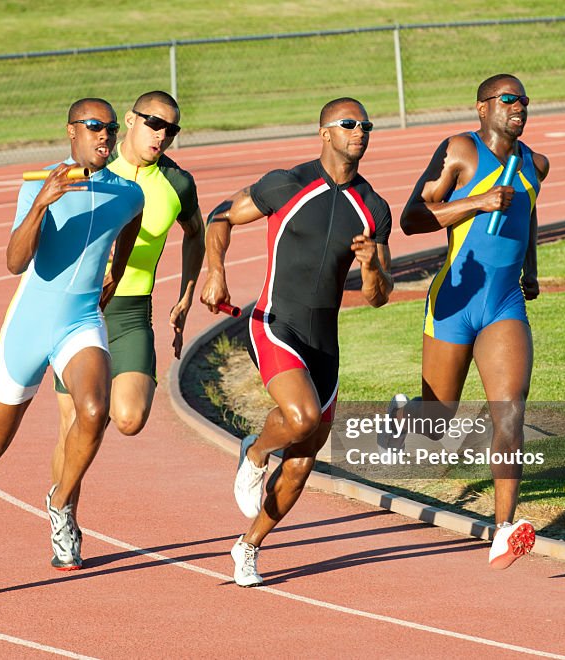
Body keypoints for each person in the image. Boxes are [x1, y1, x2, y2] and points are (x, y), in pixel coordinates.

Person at [0, 98, 144, 598]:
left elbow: (130, 229)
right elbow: (13, 261)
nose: (106, 136)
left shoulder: (128, 193)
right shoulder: (38, 183)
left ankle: (61, 502)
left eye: (112, 128)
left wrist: (116, 267)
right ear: (71, 131)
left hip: (80, 320)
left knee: (95, 411)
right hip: (29, 325)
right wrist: (41, 203)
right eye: (96, 127)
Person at [201, 98, 393, 587]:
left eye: (366, 125)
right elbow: (220, 217)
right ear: (324, 132)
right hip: (274, 321)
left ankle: (248, 547)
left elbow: (378, 297)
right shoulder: (287, 183)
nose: (360, 132)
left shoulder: (373, 208)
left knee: (304, 461)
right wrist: (216, 273)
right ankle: (254, 454)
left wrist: (372, 267)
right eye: (349, 124)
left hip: (323, 342)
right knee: (301, 417)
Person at [396, 74, 549, 570]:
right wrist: (477, 203)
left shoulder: (535, 164)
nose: (518, 106)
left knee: (510, 412)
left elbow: (528, 218)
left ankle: (504, 529)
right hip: (454, 302)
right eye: (508, 99)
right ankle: (405, 418)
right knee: (435, 427)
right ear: (483, 107)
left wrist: (530, 270)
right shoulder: (459, 150)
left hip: (504, 303)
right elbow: (413, 217)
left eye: (523, 100)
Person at [50, 91, 204, 556]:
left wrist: (186, 296)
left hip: (133, 313)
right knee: (74, 425)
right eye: (155, 124)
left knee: (129, 417)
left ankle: (59, 505)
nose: (162, 135)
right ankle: (64, 519)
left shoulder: (176, 183)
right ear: (131, 121)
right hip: (81, 313)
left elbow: (196, 233)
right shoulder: (91, 169)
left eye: (172, 129)